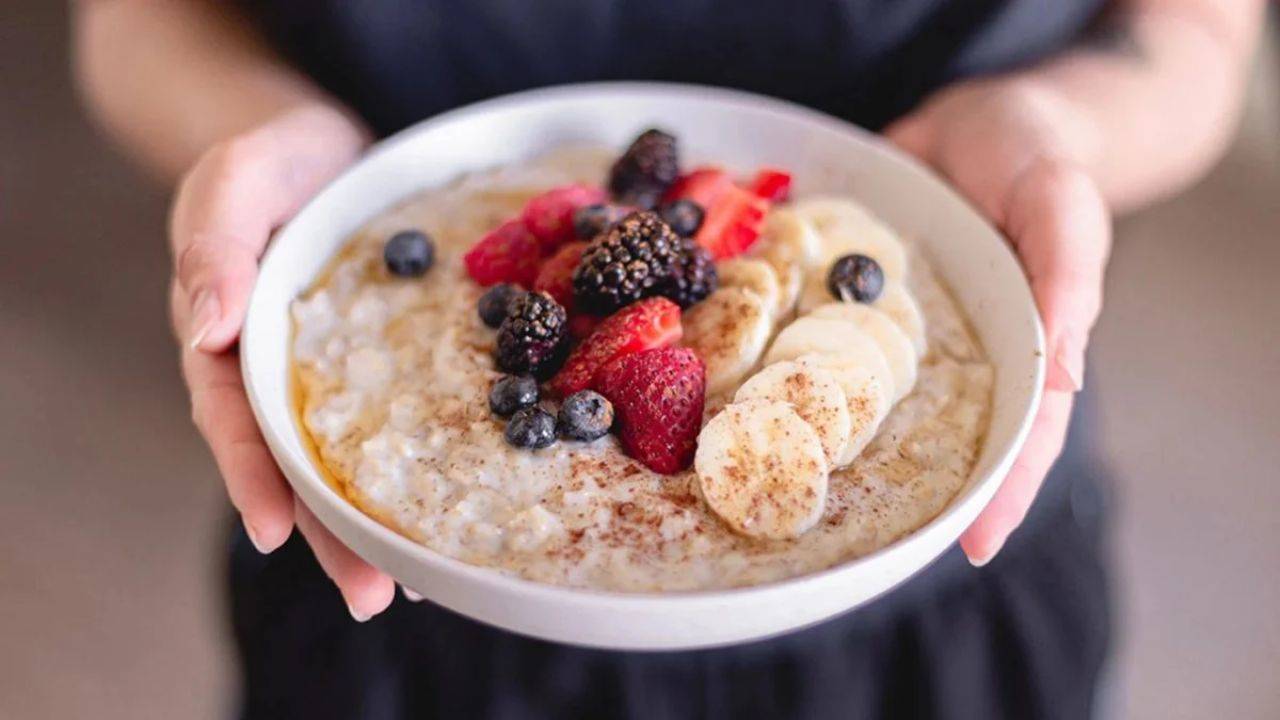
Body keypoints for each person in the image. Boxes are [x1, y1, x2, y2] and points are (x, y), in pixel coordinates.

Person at [75, 1, 1263, 718]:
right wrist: (252, 127)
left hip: (931, 618)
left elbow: (1193, 28)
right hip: (389, 629)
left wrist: (1058, 129)